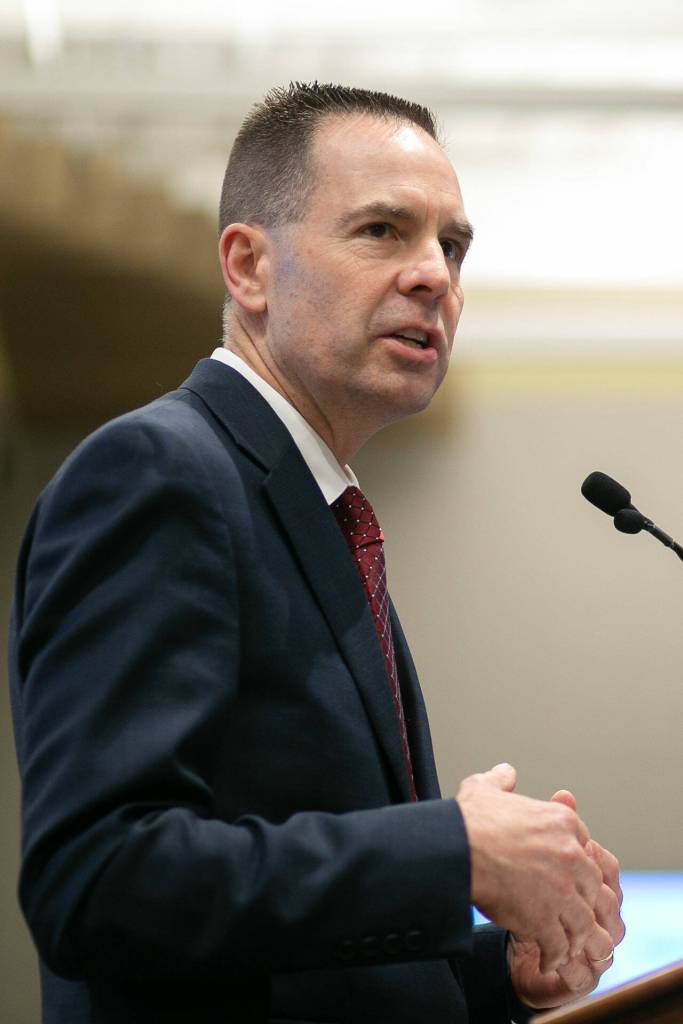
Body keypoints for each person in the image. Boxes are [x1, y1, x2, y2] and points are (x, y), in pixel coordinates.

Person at [9, 82, 624, 1024]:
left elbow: (306, 963)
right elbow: (97, 882)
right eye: (382, 231)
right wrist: (453, 852)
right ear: (248, 266)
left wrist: (494, 972)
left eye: (452, 246)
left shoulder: (315, 505)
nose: (434, 276)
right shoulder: (159, 475)